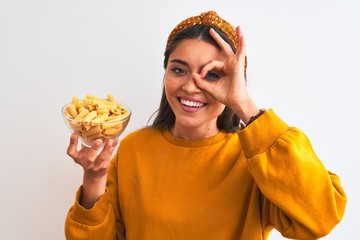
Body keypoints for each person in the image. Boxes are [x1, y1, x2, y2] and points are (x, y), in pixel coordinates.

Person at [64, 10, 347, 240]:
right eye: (179, 70)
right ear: (166, 75)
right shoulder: (134, 149)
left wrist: (244, 105)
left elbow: (321, 218)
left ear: (234, 82)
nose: (190, 86)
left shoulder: (257, 158)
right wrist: (94, 177)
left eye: (211, 75)